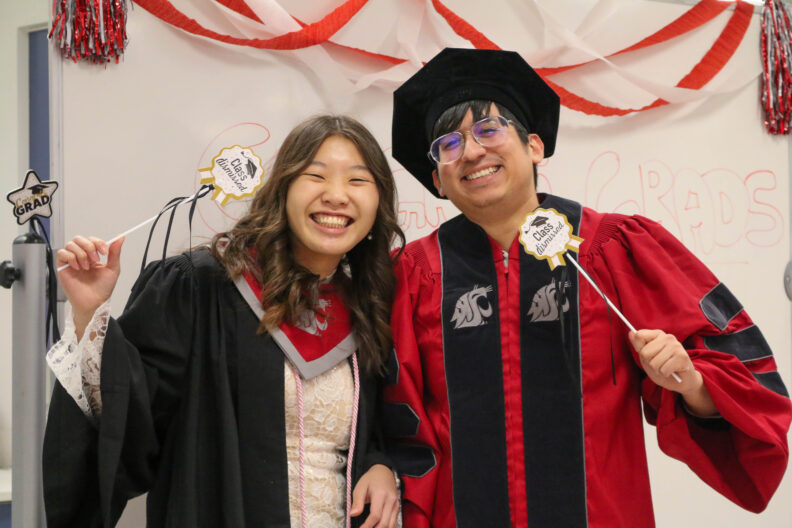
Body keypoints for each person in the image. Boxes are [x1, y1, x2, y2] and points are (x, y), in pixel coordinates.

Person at [382, 48, 792, 528]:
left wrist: (693, 382)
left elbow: (742, 373)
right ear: (437, 178)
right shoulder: (414, 275)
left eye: (489, 130)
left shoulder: (613, 249)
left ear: (534, 145)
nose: (471, 152)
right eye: (449, 145)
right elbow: (389, 422)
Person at [43, 115, 405, 528]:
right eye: (314, 176)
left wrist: (379, 465)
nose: (336, 196)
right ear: (282, 188)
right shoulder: (203, 286)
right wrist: (91, 313)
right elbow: (133, 415)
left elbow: (372, 430)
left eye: (358, 181)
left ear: (379, 203)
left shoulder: (367, 306)